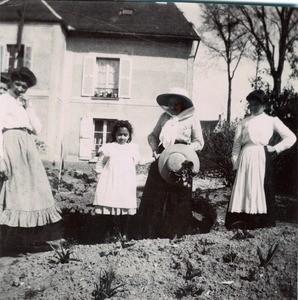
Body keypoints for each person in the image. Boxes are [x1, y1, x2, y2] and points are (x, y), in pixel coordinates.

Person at [0, 67, 62, 246]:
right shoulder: (3, 100)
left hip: (27, 146)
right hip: (11, 144)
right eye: (18, 84)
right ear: (11, 82)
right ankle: (11, 241)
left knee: (35, 190)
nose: (20, 89)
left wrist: (30, 108)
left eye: (24, 87)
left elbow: (37, 129)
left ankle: (32, 239)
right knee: (15, 191)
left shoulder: (23, 104)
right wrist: (0, 158)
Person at [138, 87, 204, 238]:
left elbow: (199, 142)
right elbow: (152, 136)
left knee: (179, 196)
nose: (174, 106)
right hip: (163, 157)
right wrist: (155, 150)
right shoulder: (164, 117)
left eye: (177, 103)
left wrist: (185, 151)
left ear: (184, 104)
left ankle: (175, 232)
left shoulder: (192, 118)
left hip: (181, 160)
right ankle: (151, 232)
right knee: (156, 194)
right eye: (171, 103)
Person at [225, 90, 296, 230]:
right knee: (243, 188)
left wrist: (275, 148)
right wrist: (235, 165)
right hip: (245, 157)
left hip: (262, 157)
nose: (253, 107)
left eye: (256, 104)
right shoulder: (243, 123)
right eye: (251, 104)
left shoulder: (272, 120)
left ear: (264, 105)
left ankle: (260, 222)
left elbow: (291, 137)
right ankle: (240, 222)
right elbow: (236, 147)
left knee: (261, 188)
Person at [93, 120, 140, 239]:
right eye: (119, 134)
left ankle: (124, 234)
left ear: (129, 135)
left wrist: (155, 158)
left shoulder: (132, 148)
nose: (122, 137)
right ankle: (112, 234)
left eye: (125, 135)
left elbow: (139, 161)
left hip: (126, 183)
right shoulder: (109, 148)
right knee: (111, 206)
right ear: (114, 134)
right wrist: (100, 178)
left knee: (125, 206)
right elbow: (99, 164)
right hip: (111, 181)